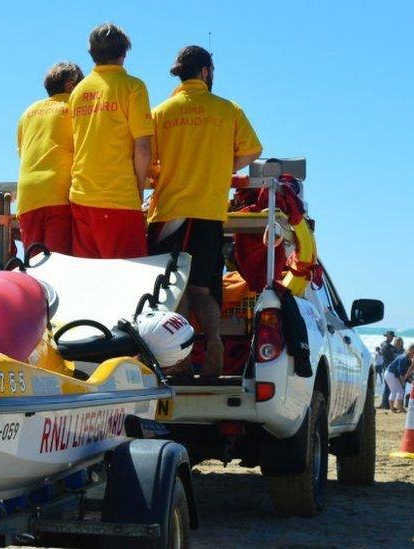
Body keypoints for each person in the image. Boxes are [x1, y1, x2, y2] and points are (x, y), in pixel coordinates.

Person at [145, 45, 262, 378]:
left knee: (172, 292)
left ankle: (179, 362)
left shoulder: (162, 112)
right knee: (202, 289)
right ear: (207, 72)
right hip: (209, 211)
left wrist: (162, 174)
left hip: (169, 212)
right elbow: (253, 150)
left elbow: (147, 162)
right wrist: (221, 167)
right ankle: (214, 343)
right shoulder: (228, 110)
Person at [67, 23, 154, 259]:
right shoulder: (133, 87)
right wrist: (138, 189)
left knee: (90, 280)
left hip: (80, 196)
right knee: (129, 280)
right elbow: (143, 147)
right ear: (123, 52)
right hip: (117, 197)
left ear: (92, 54)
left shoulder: (78, 92)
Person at [16, 62, 83, 256]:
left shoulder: (27, 113)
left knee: (35, 269)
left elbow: (23, 152)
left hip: (28, 197)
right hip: (58, 193)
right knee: (58, 267)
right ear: (71, 86)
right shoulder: (74, 108)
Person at [384, 343, 414, 413]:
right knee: (398, 391)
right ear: (412, 352)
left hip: (392, 374)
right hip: (390, 374)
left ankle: (395, 408)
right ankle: (397, 408)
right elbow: (401, 373)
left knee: (398, 391)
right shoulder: (403, 358)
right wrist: (403, 383)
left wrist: (412, 380)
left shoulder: (408, 359)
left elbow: (408, 373)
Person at [378, 330, 398, 408]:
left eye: (392, 336)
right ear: (387, 336)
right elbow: (387, 355)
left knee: (388, 386)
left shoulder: (387, 345)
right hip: (388, 366)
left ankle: (385, 403)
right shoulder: (386, 345)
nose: (392, 338)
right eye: (391, 336)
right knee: (388, 386)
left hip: (386, 365)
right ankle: (385, 404)